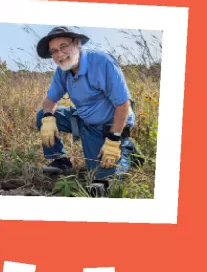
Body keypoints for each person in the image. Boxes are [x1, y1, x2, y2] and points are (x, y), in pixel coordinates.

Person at [34, 26, 142, 191]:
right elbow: (50, 100)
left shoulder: (101, 62)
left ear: (76, 43)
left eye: (63, 46)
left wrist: (113, 139)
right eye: (54, 51)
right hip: (84, 119)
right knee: (43, 115)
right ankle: (60, 161)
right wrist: (48, 118)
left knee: (100, 178)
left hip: (110, 123)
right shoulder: (62, 70)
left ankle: (126, 150)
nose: (59, 54)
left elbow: (123, 104)